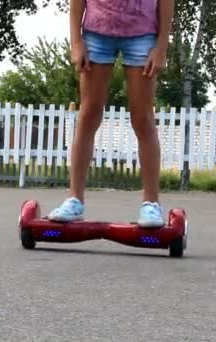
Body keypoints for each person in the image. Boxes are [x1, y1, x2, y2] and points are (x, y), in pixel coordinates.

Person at [48, 0, 174, 227]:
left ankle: (151, 205)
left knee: (143, 118)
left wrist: (162, 46)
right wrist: (76, 41)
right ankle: (74, 200)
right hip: (97, 32)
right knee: (88, 114)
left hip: (142, 34)